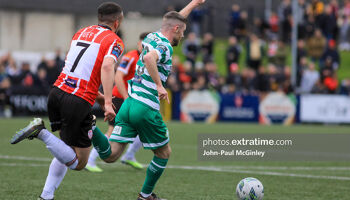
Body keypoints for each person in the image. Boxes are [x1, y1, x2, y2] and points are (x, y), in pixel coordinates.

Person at [91, 1, 206, 199]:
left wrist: (194, 4)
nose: (183, 36)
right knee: (164, 153)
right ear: (176, 29)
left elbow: (174, 19)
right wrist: (160, 86)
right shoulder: (165, 47)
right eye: (183, 31)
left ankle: (90, 128)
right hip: (146, 107)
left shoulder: (153, 36)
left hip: (129, 103)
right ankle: (145, 196)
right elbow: (149, 59)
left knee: (110, 155)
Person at [10, 2, 124, 200]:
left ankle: (46, 195)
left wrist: (99, 96)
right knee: (79, 162)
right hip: (77, 101)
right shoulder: (114, 40)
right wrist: (106, 102)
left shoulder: (80, 32)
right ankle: (41, 132)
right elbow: (107, 67)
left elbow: (80, 69)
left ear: (99, 18)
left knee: (66, 149)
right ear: (117, 21)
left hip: (57, 92)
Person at [86, 32, 150, 172]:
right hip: (121, 98)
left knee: (144, 127)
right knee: (112, 131)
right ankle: (90, 160)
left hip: (133, 100)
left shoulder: (146, 58)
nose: (145, 46)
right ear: (139, 43)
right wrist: (127, 98)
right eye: (142, 43)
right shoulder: (130, 57)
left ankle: (129, 155)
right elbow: (118, 77)